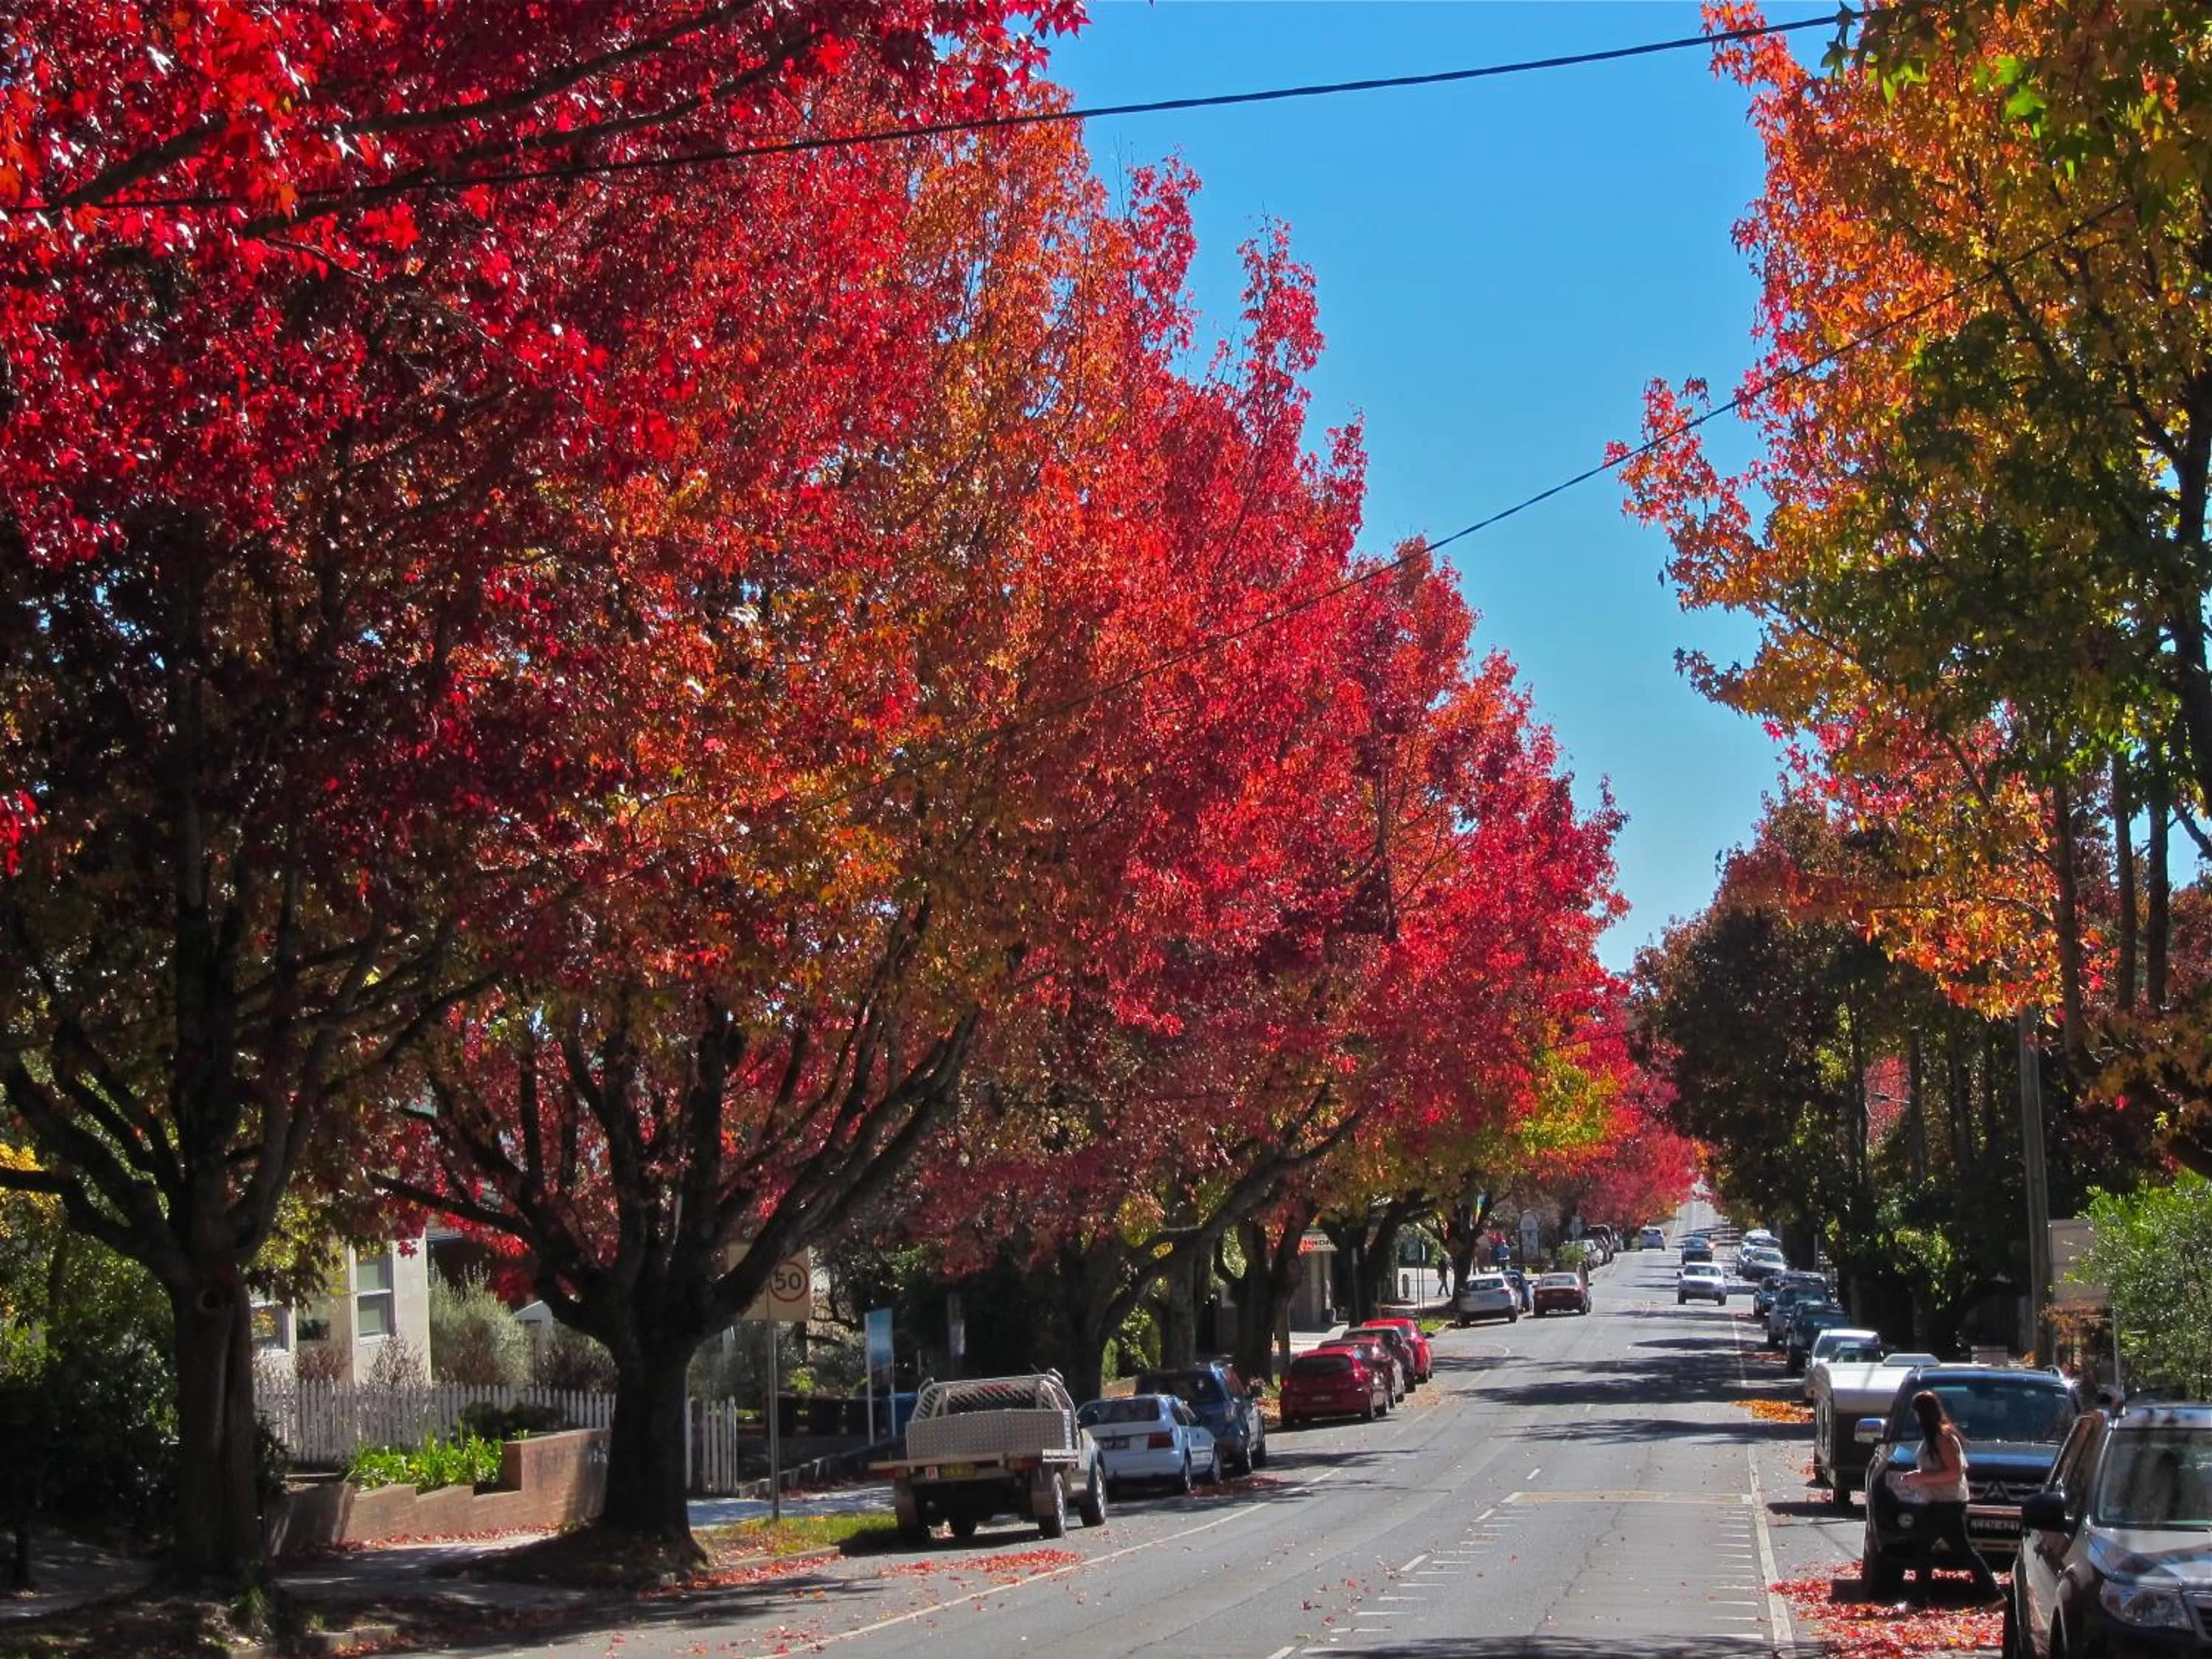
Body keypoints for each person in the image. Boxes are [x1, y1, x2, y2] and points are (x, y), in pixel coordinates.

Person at [1894, 1389, 2003, 1604]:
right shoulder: (1933, 1437)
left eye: (1916, 1412)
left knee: (1924, 1546)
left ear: (1922, 1413)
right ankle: (1994, 1594)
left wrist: (1921, 1477)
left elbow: (1954, 1472)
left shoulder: (1943, 1438)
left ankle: (1919, 1599)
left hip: (1947, 1503)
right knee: (1959, 1549)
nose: (1915, 1417)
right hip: (1939, 1502)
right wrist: (1918, 1477)